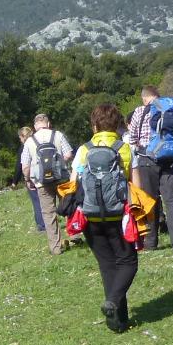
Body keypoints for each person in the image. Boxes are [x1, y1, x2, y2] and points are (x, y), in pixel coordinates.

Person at [73, 104, 138, 332]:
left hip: (90, 217)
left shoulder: (84, 149)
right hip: (118, 215)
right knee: (128, 261)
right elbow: (133, 181)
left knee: (107, 266)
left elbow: (75, 181)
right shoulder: (124, 148)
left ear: (94, 125)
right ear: (118, 124)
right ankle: (113, 303)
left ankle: (118, 321)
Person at [125, 85, 173, 252]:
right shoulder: (172, 109)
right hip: (169, 161)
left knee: (150, 201)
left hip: (147, 160)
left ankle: (150, 242)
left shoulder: (140, 111)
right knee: (172, 201)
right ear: (157, 96)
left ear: (145, 98)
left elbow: (132, 137)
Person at [20, 113, 74, 255]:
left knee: (49, 214)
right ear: (48, 123)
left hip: (41, 183)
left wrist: (28, 180)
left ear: (35, 126)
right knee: (69, 207)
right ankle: (74, 236)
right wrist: (60, 162)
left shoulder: (30, 141)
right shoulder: (57, 135)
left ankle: (55, 248)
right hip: (61, 178)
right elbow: (68, 153)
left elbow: (25, 166)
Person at [17, 125, 45, 233]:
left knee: (36, 201)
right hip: (46, 174)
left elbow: (24, 166)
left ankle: (41, 225)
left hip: (34, 177)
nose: (20, 140)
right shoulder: (39, 141)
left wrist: (27, 179)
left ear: (23, 136)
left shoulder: (26, 146)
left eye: (20, 137)